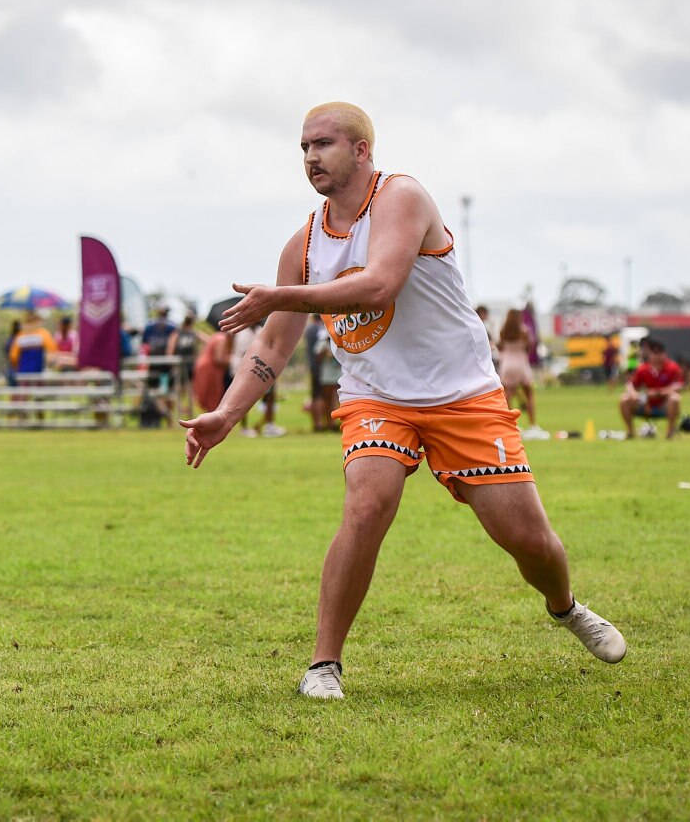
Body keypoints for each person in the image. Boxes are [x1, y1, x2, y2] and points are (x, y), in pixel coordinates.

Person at [181, 102, 624, 700]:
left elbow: (381, 281)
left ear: (362, 150)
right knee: (368, 503)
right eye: (304, 147)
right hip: (376, 396)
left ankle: (565, 606)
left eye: (324, 144)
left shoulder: (403, 198)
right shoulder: (304, 246)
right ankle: (323, 665)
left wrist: (284, 295)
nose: (311, 157)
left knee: (527, 540)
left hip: (462, 394)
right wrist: (226, 414)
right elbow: (274, 346)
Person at [618, 338, 683, 440]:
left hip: (664, 403)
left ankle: (670, 432)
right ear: (650, 354)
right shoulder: (643, 368)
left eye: (660, 353)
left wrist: (659, 392)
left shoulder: (672, 368)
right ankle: (630, 432)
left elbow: (678, 386)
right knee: (624, 398)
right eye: (655, 353)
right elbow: (630, 385)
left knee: (675, 398)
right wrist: (634, 394)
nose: (658, 356)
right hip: (646, 402)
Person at [498, 309, 547, 440]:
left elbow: (500, 347)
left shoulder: (503, 332)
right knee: (529, 394)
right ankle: (533, 425)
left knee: (508, 396)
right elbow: (528, 347)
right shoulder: (524, 331)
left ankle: (511, 425)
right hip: (521, 364)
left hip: (507, 364)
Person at [166, 312, 201, 417]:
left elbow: (170, 351)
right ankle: (185, 413)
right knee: (187, 392)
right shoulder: (193, 333)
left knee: (180, 393)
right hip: (187, 366)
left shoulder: (177, 333)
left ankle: (180, 413)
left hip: (181, 366)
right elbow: (209, 340)